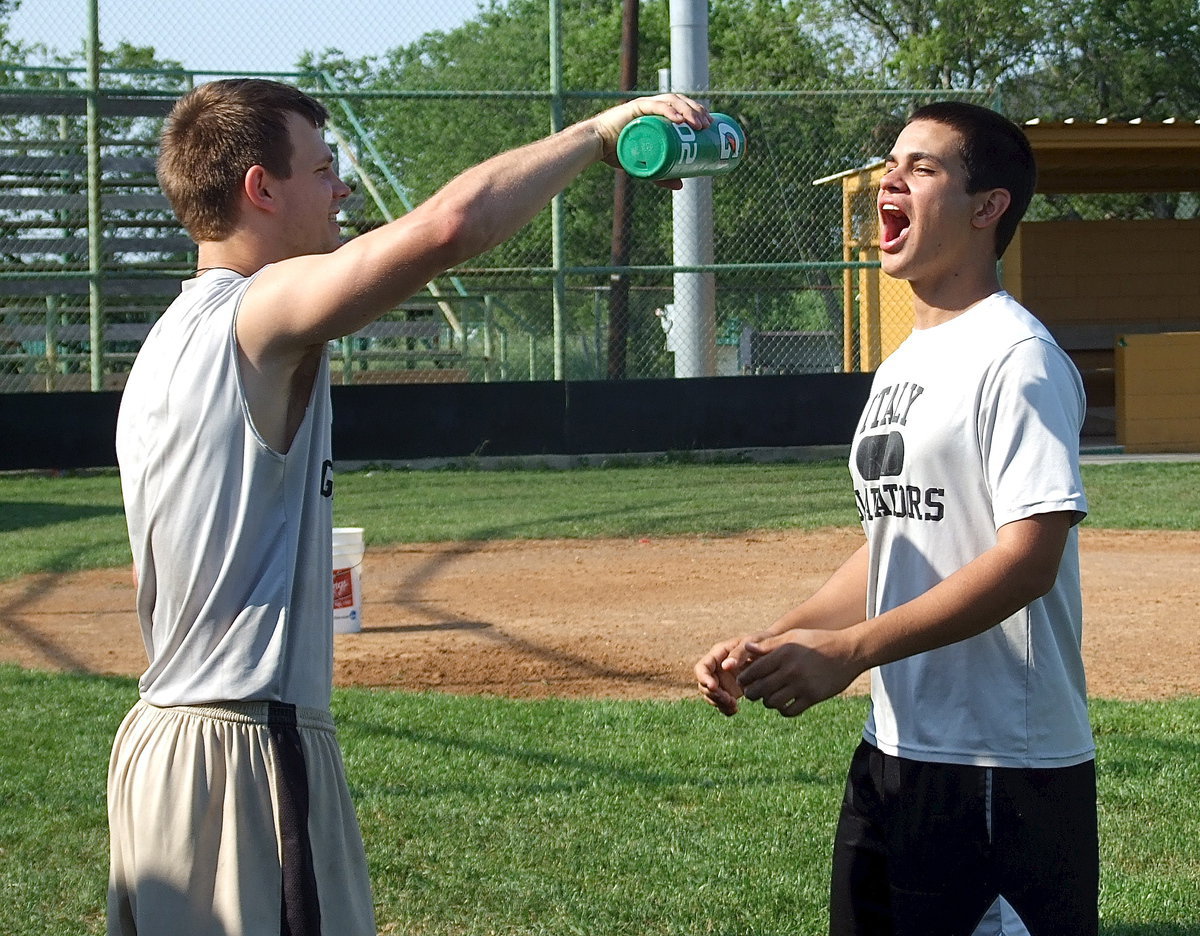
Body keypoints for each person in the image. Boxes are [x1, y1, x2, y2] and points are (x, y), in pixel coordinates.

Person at [110, 78, 710, 936]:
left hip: (160, 749)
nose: (341, 188)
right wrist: (599, 133)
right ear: (261, 189)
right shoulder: (258, 314)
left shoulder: (163, 345)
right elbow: (445, 229)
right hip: (245, 754)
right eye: (324, 169)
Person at [695, 101, 1097, 936]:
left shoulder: (1019, 360)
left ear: (989, 208)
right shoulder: (905, 363)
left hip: (1000, 771)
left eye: (922, 166)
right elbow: (891, 540)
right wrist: (781, 636)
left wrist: (851, 652)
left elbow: (1029, 559)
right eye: (891, 162)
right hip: (896, 750)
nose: (891, 177)